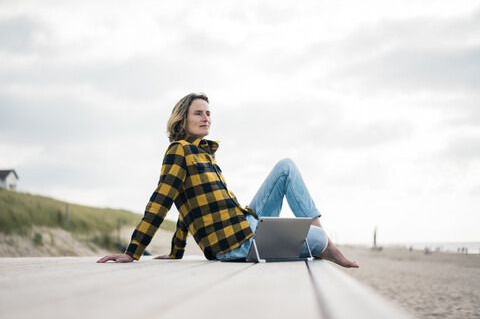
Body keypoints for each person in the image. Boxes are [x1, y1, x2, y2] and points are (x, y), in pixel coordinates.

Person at [97, 93, 358, 268]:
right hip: (236, 242)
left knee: (286, 167)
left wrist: (177, 250)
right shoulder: (178, 151)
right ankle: (326, 244)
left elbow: (188, 206)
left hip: (244, 223)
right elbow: (163, 199)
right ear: (182, 119)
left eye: (208, 113)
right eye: (198, 113)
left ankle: (324, 239)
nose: (206, 118)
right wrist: (133, 251)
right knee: (317, 241)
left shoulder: (203, 154)